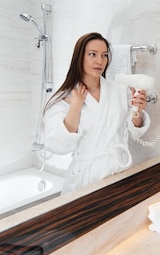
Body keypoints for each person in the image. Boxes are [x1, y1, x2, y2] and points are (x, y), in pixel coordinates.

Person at [44, 32, 150, 194]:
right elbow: (57, 144)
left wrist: (138, 110)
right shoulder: (65, 97)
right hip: (87, 178)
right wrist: (76, 106)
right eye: (92, 54)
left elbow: (133, 129)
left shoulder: (119, 90)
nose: (99, 61)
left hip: (118, 172)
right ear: (80, 57)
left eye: (104, 55)